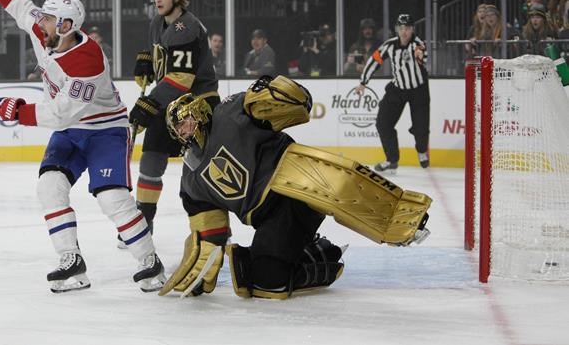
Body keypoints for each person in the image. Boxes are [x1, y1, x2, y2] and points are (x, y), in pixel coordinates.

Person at [0, 0, 166, 293]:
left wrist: (17, 111)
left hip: (105, 131)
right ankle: (70, 260)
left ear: (65, 25)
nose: (40, 21)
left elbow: (61, 114)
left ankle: (150, 261)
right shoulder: (46, 30)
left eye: (48, 18)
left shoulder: (87, 61)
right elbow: (21, 8)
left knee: (112, 198)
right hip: (72, 131)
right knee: (49, 187)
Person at [157, 76, 432, 299]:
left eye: (185, 121)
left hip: (296, 183)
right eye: (178, 128)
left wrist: (274, 91)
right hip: (271, 218)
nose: (184, 130)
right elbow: (210, 232)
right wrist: (201, 263)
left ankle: (401, 215)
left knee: (344, 188)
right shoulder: (191, 182)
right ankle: (319, 252)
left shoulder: (229, 112)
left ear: (199, 111)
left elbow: (291, 102)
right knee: (266, 284)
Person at [127, 0, 219, 243]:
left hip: (197, 103)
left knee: (197, 168)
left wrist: (149, 103)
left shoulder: (186, 27)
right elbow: (159, 54)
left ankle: (213, 227)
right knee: (151, 157)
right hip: (169, 100)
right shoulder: (157, 22)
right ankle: (144, 222)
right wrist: (146, 61)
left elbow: (181, 78)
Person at [354, 14, 430, 173]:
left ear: (412, 29)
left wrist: (420, 57)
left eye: (407, 28)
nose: (404, 32)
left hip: (419, 90)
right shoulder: (389, 45)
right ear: (397, 29)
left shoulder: (418, 44)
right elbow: (374, 60)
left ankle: (422, 150)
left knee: (421, 128)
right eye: (401, 28)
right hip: (397, 89)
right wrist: (363, 82)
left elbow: (423, 57)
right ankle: (391, 160)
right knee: (383, 123)